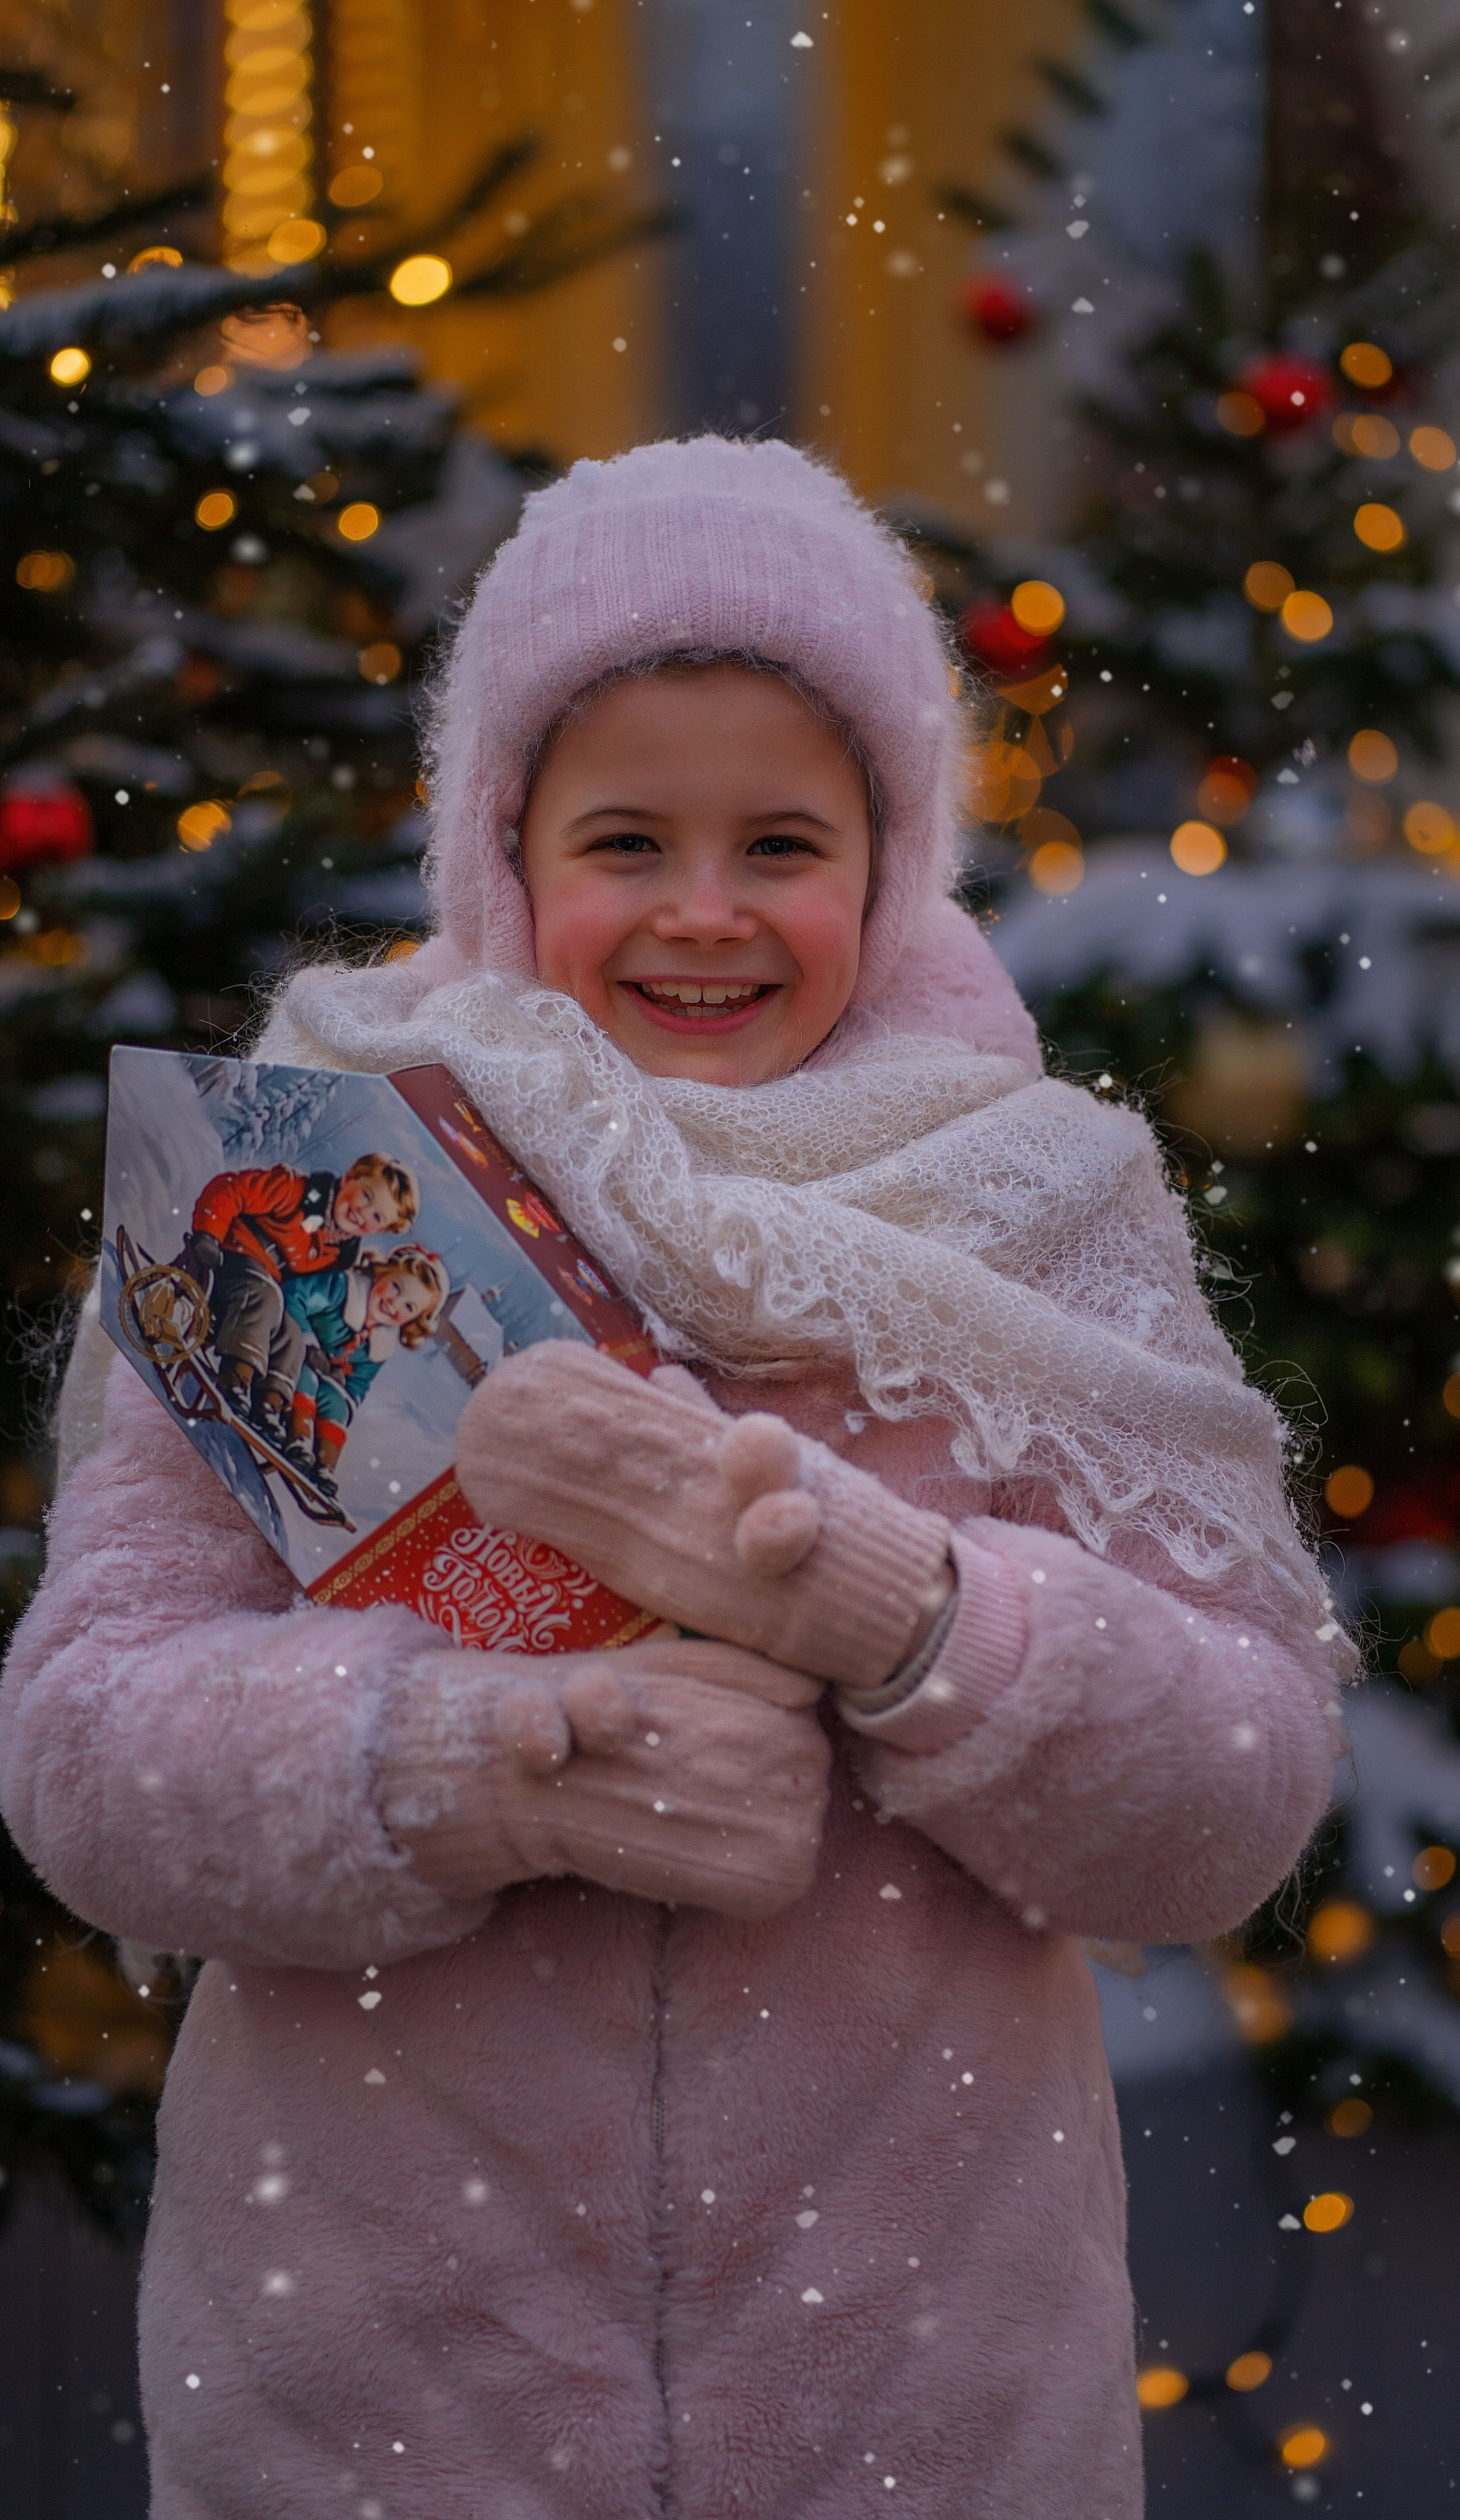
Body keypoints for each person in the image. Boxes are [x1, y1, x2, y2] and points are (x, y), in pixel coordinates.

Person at [0, 438, 1351, 2520]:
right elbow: (88, 1754)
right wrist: (486, 1761)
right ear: (500, 848)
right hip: (365, 2429)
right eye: (625, 836)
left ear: (888, 860)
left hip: (931, 2431)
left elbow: (1232, 1798)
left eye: (782, 841)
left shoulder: (1038, 1212)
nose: (705, 913)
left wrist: (903, 1616)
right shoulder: (299, 1174)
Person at [182, 1151, 420, 1429]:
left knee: (292, 1336)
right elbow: (232, 1189)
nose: (363, 1213)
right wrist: (208, 1234)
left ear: (381, 1229)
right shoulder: (296, 1191)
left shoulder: (338, 1254)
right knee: (265, 1297)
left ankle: (269, 1403)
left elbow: (302, 1294)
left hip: (262, 1294)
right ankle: (236, 1379)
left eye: (377, 1216)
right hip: (228, 1258)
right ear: (350, 1178)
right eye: (366, 1196)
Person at [275, 1245, 450, 1496]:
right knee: (308, 1378)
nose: (394, 1303)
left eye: (409, 1308)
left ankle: (324, 1465)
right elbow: (294, 1297)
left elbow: (358, 1384)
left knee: (336, 1403)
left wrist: (346, 1397)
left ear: (413, 1321)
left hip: (323, 1373)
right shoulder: (345, 1290)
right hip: (289, 1345)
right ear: (381, 1274)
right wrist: (309, 1341)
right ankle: (299, 1437)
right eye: (396, 1287)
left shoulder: (379, 1345)